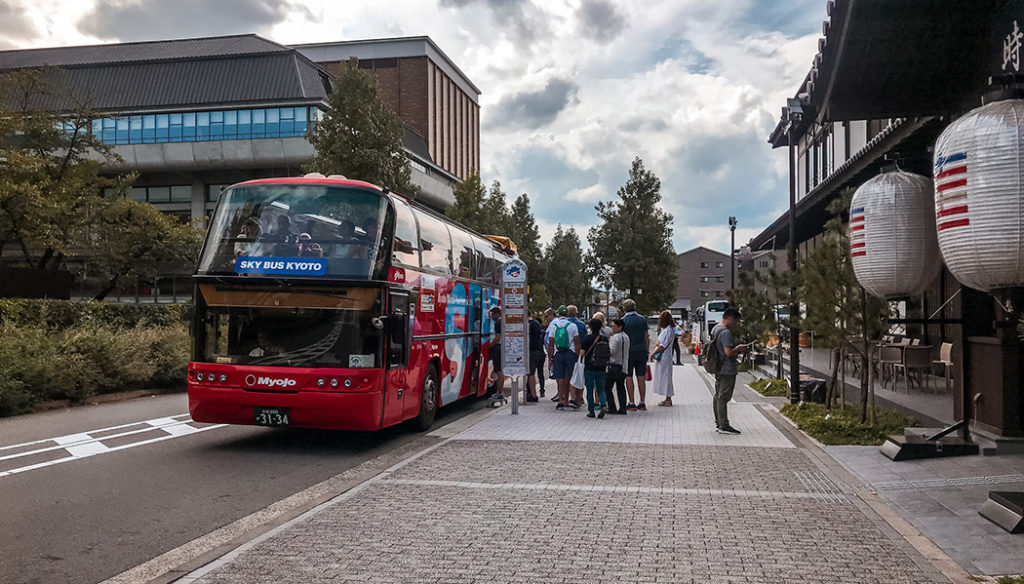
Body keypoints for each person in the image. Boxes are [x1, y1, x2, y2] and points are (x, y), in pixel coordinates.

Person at [711, 307, 749, 434]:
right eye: (736, 321)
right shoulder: (726, 332)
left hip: (717, 366)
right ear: (730, 318)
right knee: (723, 397)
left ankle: (718, 422)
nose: (736, 325)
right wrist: (739, 348)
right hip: (727, 368)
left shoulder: (715, 329)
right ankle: (724, 425)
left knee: (717, 396)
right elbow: (728, 352)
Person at [546, 305, 581, 410]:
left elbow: (551, 343)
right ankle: (571, 398)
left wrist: (550, 358)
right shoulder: (572, 326)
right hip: (570, 353)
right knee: (571, 376)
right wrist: (578, 356)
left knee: (560, 377)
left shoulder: (554, 326)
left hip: (558, 354)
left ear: (558, 314)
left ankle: (561, 400)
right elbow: (577, 343)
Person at [621, 298, 650, 411]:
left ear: (624, 308)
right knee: (641, 376)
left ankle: (631, 402)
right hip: (641, 350)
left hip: (628, 352)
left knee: (628, 376)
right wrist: (647, 350)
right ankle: (642, 402)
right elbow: (646, 336)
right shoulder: (642, 319)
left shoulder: (623, 321)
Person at [579, 318, 610, 418]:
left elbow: (582, 353)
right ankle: (603, 404)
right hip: (602, 367)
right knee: (601, 389)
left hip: (590, 367)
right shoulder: (604, 338)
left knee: (590, 389)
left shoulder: (587, 338)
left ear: (590, 327)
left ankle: (591, 410)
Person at [650, 311, 677, 406]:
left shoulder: (667, 331)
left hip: (664, 357)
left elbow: (662, 345)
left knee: (665, 377)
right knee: (666, 377)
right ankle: (667, 398)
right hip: (666, 357)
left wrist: (653, 354)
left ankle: (668, 399)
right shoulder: (669, 330)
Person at [606, 318, 630, 414]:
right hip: (623, 365)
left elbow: (612, 351)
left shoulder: (616, 337)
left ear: (620, 327)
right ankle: (623, 407)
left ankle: (612, 407)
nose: (612, 328)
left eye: (613, 326)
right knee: (621, 387)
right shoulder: (626, 337)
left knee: (607, 387)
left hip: (614, 365)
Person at [566, 305, 588, 407]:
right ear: (576, 313)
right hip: (579, 352)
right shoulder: (581, 324)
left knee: (568, 375)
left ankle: (570, 396)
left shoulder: (563, 323)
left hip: (566, 351)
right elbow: (584, 338)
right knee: (579, 374)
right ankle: (579, 397)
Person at [526, 311, 545, 402]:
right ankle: (534, 392)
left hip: (531, 351)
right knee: (537, 372)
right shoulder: (537, 324)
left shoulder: (528, 325)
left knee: (530, 373)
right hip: (538, 350)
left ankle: (533, 394)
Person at [488, 306, 504, 396]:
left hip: (498, 348)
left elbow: (498, 337)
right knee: (499, 370)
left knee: (499, 371)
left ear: (497, 314)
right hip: (502, 347)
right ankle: (500, 391)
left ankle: (500, 391)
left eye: (493, 314)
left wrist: (489, 346)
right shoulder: (503, 321)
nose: (492, 317)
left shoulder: (498, 323)